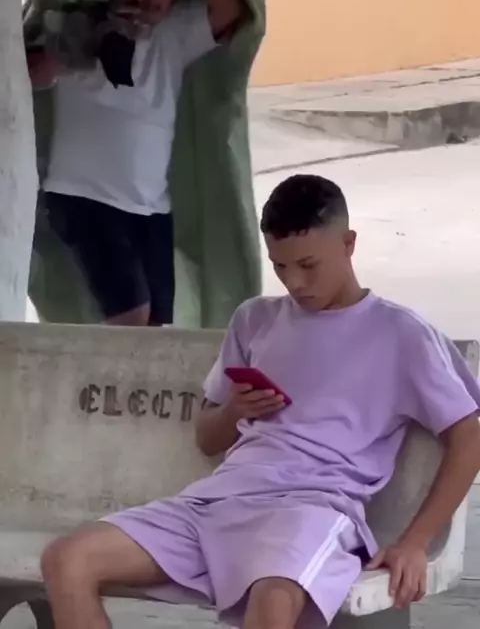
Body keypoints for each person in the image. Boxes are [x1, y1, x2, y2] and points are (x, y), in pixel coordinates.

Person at [41, 174, 480, 629]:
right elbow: (207, 438)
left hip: (310, 512)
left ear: (348, 244)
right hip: (216, 503)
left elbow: (469, 436)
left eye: (308, 265)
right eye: (280, 267)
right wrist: (236, 411)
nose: (295, 282)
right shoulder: (255, 319)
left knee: (273, 601)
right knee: (67, 560)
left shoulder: (401, 334)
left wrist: (415, 542)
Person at [26, 0, 244, 327]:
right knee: (132, 316)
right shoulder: (78, 24)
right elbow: (29, 75)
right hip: (82, 198)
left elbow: (229, 12)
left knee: (157, 327)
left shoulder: (173, 34)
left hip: (151, 209)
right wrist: (84, 43)